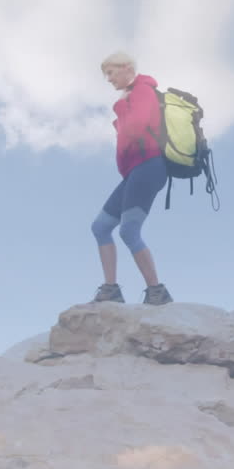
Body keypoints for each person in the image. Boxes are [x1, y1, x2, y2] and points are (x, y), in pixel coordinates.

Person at [89, 51, 173, 305]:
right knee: (100, 227)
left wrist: (121, 106)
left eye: (111, 73)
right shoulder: (130, 97)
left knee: (129, 230)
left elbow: (138, 125)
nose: (109, 80)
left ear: (126, 68)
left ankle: (157, 292)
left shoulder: (144, 90)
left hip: (150, 166)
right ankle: (111, 290)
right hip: (134, 171)